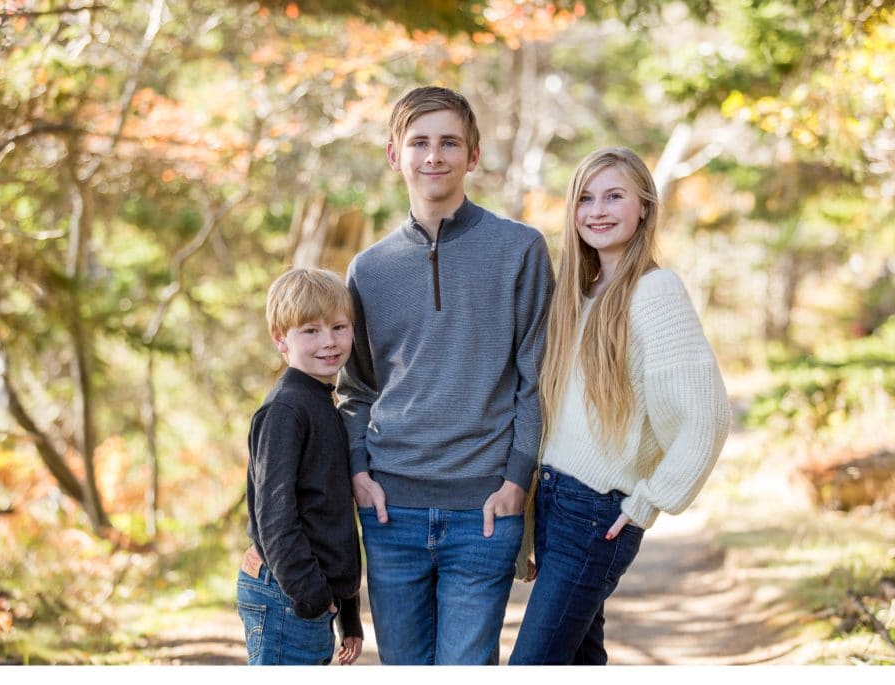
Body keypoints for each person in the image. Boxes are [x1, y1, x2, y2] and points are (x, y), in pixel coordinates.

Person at [337, 86, 554, 665]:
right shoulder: (369, 269)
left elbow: (536, 378)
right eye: (419, 142)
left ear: (473, 156)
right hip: (390, 511)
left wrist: (517, 480)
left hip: (484, 509)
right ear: (394, 155)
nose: (434, 156)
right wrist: (359, 471)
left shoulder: (521, 250)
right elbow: (356, 388)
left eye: (449, 142)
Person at [508, 147, 732, 665]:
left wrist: (651, 500)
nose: (598, 210)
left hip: (596, 512)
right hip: (556, 503)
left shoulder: (656, 291)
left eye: (614, 196)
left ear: (645, 208)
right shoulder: (577, 295)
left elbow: (707, 414)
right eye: (585, 198)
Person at [236, 267, 364, 666]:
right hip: (286, 596)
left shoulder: (324, 404)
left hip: (307, 595)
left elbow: (332, 517)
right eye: (310, 331)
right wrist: (312, 596)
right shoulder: (286, 410)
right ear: (281, 340)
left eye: (339, 327)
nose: (329, 341)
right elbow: (274, 517)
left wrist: (349, 614)